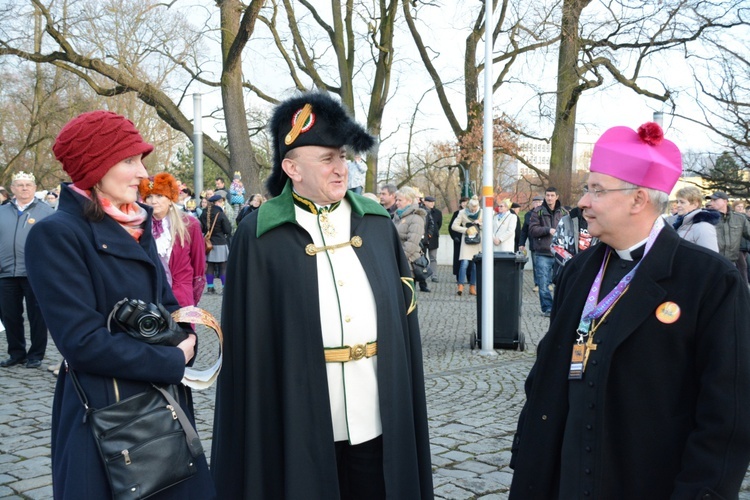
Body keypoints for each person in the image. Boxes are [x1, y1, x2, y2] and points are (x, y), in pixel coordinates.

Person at [509, 122, 750, 499]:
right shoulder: (578, 270)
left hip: (645, 480)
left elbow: (727, 414)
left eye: (596, 190)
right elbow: (545, 373)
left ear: (638, 199)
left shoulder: (710, 280)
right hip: (562, 478)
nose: (583, 201)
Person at [210, 92, 433, 499]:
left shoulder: (377, 224)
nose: (340, 169)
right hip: (296, 415)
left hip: (375, 409)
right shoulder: (259, 235)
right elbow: (249, 348)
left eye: (343, 158)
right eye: (327, 159)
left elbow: (403, 322)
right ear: (291, 166)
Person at [24, 110, 215, 499]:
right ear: (95, 167)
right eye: (129, 160)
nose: (142, 173)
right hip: (107, 415)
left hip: (164, 408)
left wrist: (187, 334)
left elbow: (167, 305)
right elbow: (82, 343)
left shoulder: (134, 223)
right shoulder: (55, 234)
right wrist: (172, 360)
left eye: (140, 160)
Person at [0, 171, 55, 368]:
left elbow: (55, 242)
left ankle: (36, 355)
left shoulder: (47, 212)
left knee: (36, 315)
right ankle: (16, 353)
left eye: (28, 185)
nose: (24, 188)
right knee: (9, 315)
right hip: (6, 272)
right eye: (20, 184)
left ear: (34, 188)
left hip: (35, 272)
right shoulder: (2, 211)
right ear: (12, 188)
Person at [139, 172, 207, 306]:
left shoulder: (190, 224)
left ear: (170, 198)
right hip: (149, 299)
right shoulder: (139, 226)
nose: (153, 201)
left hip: (181, 298)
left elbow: (198, 266)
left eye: (159, 196)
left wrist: (190, 298)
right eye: (149, 197)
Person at [528, 187, 568, 317]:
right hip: (542, 253)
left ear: (557, 196)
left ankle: (558, 308)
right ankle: (547, 308)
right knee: (543, 284)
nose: (549, 198)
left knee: (560, 283)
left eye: (552, 195)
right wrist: (547, 230)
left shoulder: (563, 212)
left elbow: (570, 230)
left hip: (560, 254)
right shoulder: (537, 212)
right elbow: (532, 230)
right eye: (547, 195)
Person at [705, 190, 750, 284]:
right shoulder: (707, 218)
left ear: (725, 201)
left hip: (731, 263)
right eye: (711, 200)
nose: (712, 203)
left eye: (715, 200)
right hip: (713, 263)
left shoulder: (739, 218)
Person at [394, 186, 430, 292]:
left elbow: (412, 243)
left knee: (408, 298)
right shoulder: (397, 216)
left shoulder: (416, 218)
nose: (396, 202)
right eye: (396, 199)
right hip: (397, 261)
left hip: (408, 264)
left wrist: (399, 258)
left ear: (409, 201)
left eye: (400, 200)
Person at [550, 205, 597, 284]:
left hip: (591, 277)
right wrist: (573, 263)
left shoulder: (601, 224)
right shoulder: (566, 220)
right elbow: (555, 245)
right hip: (566, 274)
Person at [199, 194, 232, 295]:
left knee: (210, 266)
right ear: (217, 203)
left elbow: (201, 228)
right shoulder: (220, 214)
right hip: (220, 243)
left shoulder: (204, 213)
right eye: (221, 201)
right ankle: (224, 288)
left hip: (208, 244)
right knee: (223, 267)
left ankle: (210, 288)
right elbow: (227, 230)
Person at [671, 185, 720, 251]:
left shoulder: (704, 227)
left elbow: (710, 258)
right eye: (678, 202)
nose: (678, 205)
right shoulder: (678, 223)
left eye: (682, 202)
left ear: (695, 204)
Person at [451, 196, 483, 296]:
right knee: (464, 263)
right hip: (467, 241)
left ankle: (472, 287)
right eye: (471, 208)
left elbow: (489, 225)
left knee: (474, 265)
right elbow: (454, 226)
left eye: (475, 208)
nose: (473, 210)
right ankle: (460, 285)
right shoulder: (462, 212)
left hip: (477, 241)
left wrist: (480, 224)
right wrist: (466, 230)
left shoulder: (482, 212)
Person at [519, 195, 543, 290]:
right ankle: (537, 284)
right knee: (536, 265)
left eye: (539, 202)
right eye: (535, 202)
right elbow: (524, 230)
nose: (537, 204)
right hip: (534, 243)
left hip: (546, 244)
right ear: (533, 203)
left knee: (547, 265)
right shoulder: (528, 214)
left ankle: (547, 282)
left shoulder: (546, 213)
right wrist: (521, 243)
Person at [449, 196, 470, 284]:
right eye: (463, 202)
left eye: (466, 202)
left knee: (470, 258)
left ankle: (470, 277)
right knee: (458, 258)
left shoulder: (473, 213)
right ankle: (459, 277)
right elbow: (451, 227)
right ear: (460, 204)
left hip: (469, 239)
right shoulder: (457, 213)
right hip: (459, 240)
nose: (465, 204)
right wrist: (455, 237)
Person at [422, 195, 442, 281]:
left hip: (433, 238)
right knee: (422, 257)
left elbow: (439, 224)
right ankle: (423, 274)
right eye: (430, 202)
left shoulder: (437, 212)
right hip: (423, 237)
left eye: (433, 202)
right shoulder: (421, 211)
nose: (432, 203)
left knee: (433, 257)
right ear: (425, 202)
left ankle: (434, 275)